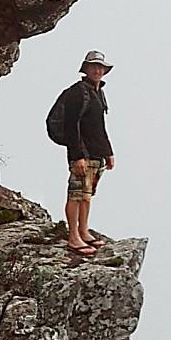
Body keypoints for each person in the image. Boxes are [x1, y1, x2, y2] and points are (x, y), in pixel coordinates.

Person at [62, 50, 115, 254]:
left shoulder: (98, 92)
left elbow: (99, 126)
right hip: (82, 154)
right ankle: (73, 237)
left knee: (87, 194)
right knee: (75, 194)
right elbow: (70, 125)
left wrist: (108, 152)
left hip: (96, 154)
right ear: (85, 69)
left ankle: (84, 231)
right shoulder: (78, 92)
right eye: (93, 66)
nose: (97, 70)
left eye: (100, 67)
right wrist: (77, 155)